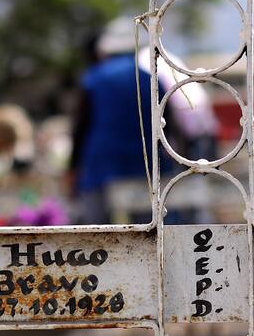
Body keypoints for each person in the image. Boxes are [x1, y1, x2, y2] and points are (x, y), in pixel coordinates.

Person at [70, 17, 177, 224]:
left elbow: (80, 126)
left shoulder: (93, 78)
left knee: (96, 232)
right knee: (149, 229)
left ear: (103, 51)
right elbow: (169, 123)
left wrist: (73, 167)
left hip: (101, 166)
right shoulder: (151, 78)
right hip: (145, 165)